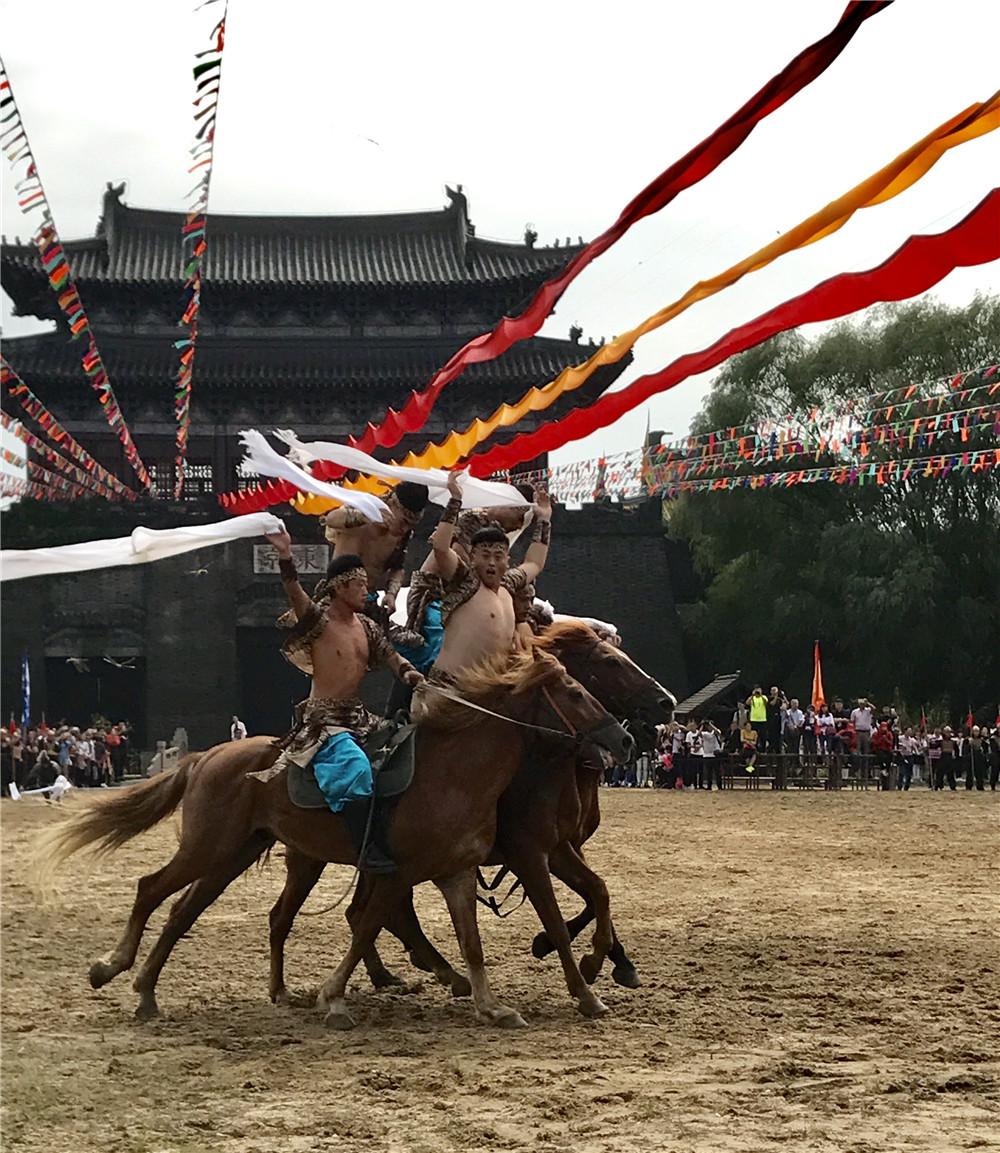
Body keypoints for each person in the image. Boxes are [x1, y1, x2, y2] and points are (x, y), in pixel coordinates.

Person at [262, 531, 424, 870]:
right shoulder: (318, 623)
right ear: (339, 587)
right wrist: (285, 556)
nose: (366, 590)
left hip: (360, 718)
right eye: (359, 585)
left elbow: (394, 659)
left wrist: (412, 675)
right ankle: (365, 849)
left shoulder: (367, 626)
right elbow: (296, 593)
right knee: (356, 769)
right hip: (325, 723)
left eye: (366, 584)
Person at [409, 472, 552, 719]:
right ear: (472, 558)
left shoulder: (509, 584)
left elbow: (535, 562)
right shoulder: (464, 581)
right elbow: (441, 548)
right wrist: (455, 500)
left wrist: (544, 520)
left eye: (498, 557)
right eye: (485, 556)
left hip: (490, 696)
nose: (492, 563)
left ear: (507, 561)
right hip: (449, 693)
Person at [321, 481, 430, 623]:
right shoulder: (365, 509)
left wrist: (391, 593)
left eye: (410, 525)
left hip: (368, 600)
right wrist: (365, 517)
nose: (405, 528)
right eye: (404, 521)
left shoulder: (402, 534)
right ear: (393, 505)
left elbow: (397, 567)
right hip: (338, 597)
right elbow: (330, 519)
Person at [962, 725, 988, 791]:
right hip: (971, 758)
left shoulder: (982, 740)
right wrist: (969, 745)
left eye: (977, 731)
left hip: (979, 758)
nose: (976, 733)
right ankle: (969, 786)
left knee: (979, 773)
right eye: (975, 731)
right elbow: (965, 750)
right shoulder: (968, 740)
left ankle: (980, 786)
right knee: (970, 773)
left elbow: (985, 749)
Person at [699, 718, 722, 790]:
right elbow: (699, 733)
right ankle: (709, 786)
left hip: (715, 754)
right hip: (707, 754)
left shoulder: (716, 732)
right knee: (708, 772)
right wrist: (702, 725)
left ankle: (719, 786)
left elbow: (717, 732)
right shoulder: (705, 734)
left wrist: (710, 724)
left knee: (717, 771)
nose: (709, 727)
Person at [850, 697, 874, 762]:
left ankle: (865, 769)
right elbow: (852, 722)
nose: (862, 705)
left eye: (863, 703)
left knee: (866, 750)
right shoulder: (854, 712)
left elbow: (874, 708)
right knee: (858, 750)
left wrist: (868, 703)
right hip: (858, 732)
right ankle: (858, 767)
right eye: (860, 703)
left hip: (866, 732)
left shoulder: (868, 710)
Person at [747, 687, 768, 755]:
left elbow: (766, 702)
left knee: (763, 735)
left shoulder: (763, 697)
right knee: (754, 735)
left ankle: (763, 750)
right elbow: (747, 703)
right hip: (754, 719)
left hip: (762, 719)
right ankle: (754, 749)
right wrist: (752, 695)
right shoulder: (753, 698)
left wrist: (760, 695)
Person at [783, 697, 804, 763]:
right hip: (788, 731)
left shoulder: (800, 712)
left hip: (796, 731)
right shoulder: (788, 712)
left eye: (797, 704)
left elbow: (801, 721)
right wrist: (790, 726)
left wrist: (796, 726)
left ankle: (796, 761)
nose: (796, 705)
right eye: (794, 703)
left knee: (796, 746)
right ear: (791, 704)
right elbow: (785, 721)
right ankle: (789, 760)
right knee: (789, 746)